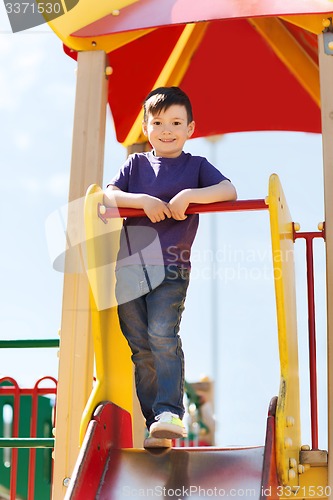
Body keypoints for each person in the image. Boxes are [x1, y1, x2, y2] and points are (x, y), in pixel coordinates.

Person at [104, 86, 237, 448]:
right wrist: (143, 200)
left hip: (170, 266)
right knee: (140, 347)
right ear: (146, 128)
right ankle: (156, 424)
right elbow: (109, 195)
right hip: (130, 269)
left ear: (190, 128)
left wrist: (191, 195)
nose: (167, 130)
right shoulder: (136, 166)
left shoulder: (195, 166)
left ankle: (169, 412)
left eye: (176, 123)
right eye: (158, 122)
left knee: (162, 335)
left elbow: (228, 191)